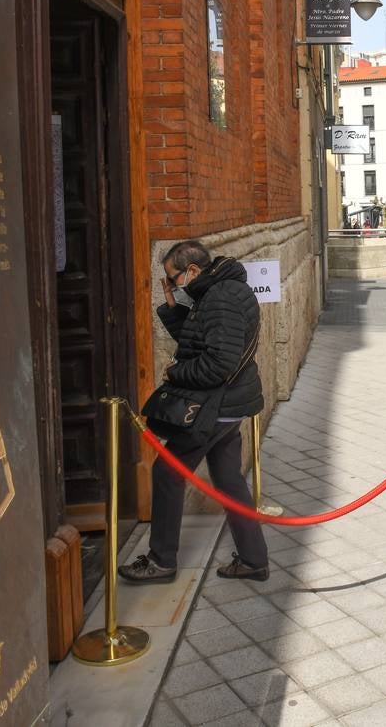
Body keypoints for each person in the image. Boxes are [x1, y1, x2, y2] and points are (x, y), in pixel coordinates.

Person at [119, 241, 269, 583]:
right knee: (229, 480)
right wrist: (173, 308)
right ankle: (253, 559)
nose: (172, 285)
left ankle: (161, 560)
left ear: (193, 271)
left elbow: (217, 363)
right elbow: (199, 341)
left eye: (174, 279)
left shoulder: (221, 298)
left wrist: (175, 373)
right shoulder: (217, 292)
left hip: (216, 405)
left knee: (167, 473)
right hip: (226, 405)